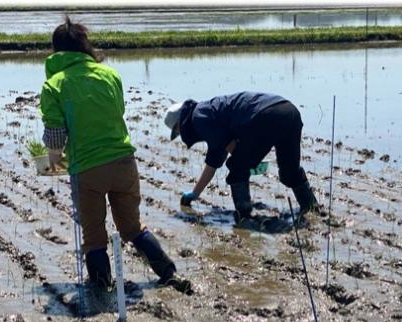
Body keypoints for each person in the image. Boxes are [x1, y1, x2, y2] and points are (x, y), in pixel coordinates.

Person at [39, 16, 190, 292]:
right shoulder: (110, 75)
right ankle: (168, 272)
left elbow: (55, 136)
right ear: (85, 46)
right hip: (124, 162)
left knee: (94, 234)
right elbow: (116, 111)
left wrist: (52, 159)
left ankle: (101, 287)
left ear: (55, 50)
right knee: (132, 227)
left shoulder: (55, 85)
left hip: (87, 168)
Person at [163, 91, 319, 224]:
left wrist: (249, 161)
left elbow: (225, 150)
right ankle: (312, 208)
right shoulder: (207, 111)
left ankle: (245, 217)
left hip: (266, 116)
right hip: (288, 111)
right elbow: (216, 158)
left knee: (237, 168)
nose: (181, 135)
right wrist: (195, 193)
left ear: (180, 124)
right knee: (289, 172)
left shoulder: (199, 118)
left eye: (178, 131)